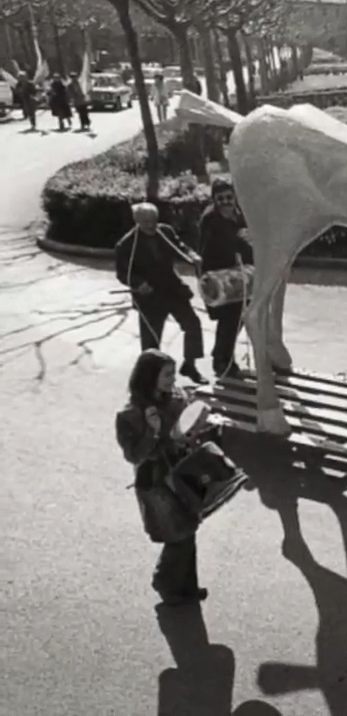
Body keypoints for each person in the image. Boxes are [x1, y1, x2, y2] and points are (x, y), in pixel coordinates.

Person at [115, 349, 248, 606]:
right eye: (166, 374)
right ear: (149, 376)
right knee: (179, 535)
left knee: (188, 530)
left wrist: (201, 425)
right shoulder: (130, 415)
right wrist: (153, 432)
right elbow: (135, 456)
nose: (171, 379)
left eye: (172, 373)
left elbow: (188, 432)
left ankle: (186, 587)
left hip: (185, 472)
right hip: (156, 482)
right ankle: (165, 581)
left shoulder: (176, 400)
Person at [115, 202, 208, 384]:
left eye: (154, 221)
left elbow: (180, 247)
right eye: (146, 222)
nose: (151, 226)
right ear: (137, 221)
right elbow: (122, 273)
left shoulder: (165, 231)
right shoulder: (126, 245)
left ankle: (190, 365)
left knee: (193, 325)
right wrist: (138, 283)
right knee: (151, 342)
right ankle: (152, 380)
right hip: (149, 296)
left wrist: (193, 256)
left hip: (172, 289)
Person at [197, 180, 253, 378]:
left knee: (239, 318)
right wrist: (239, 240)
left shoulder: (239, 215)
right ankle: (222, 362)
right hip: (218, 280)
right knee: (229, 320)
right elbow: (211, 248)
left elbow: (247, 241)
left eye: (229, 197)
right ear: (214, 200)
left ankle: (222, 355)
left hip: (238, 276)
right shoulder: (210, 219)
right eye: (220, 199)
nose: (225, 202)